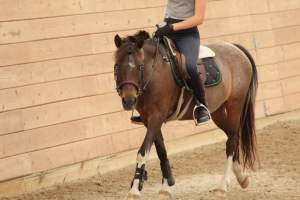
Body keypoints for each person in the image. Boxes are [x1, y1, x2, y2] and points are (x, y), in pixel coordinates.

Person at [131, 0, 210, 124]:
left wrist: (172, 27)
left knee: (189, 66)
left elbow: (199, 19)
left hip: (187, 34)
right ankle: (146, 108)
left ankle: (202, 105)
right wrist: (166, 26)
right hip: (166, 28)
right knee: (148, 59)